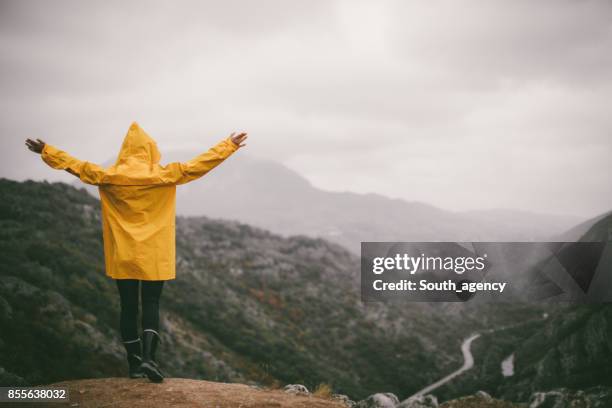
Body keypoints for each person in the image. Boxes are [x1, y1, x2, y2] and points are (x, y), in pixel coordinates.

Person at [25, 122, 247, 383]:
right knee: (151, 304)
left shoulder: (108, 175)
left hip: (124, 253)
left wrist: (46, 151)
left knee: (128, 307)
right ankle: (150, 359)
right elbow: (199, 165)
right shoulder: (164, 174)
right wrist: (228, 145)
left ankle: (133, 365)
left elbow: (76, 166)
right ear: (150, 150)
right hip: (154, 253)